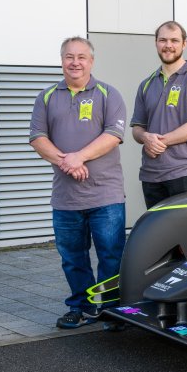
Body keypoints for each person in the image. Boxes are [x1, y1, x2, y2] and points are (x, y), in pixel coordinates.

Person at [29, 37, 127, 331]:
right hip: (66, 198)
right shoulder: (46, 97)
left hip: (105, 194)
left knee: (111, 254)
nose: (75, 62)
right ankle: (80, 307)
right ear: (62, 61)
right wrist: (66, 161)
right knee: (73, 257)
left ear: (91, 61)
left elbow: (114, 134)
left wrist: (79, 157)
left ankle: (111, 310)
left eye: (81, 57)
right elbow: (37, 137)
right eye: (69, 57)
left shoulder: (109, 94)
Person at [131, 21, 187, 208]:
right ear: (156, 43)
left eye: (174, 40)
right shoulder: (146, 84)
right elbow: (137, 128)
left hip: (185, 172)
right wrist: (145, 137)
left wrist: (158, 142)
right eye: (163, 40)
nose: (168, 45)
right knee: (158, 235)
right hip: (151, 174)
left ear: (185, 44)